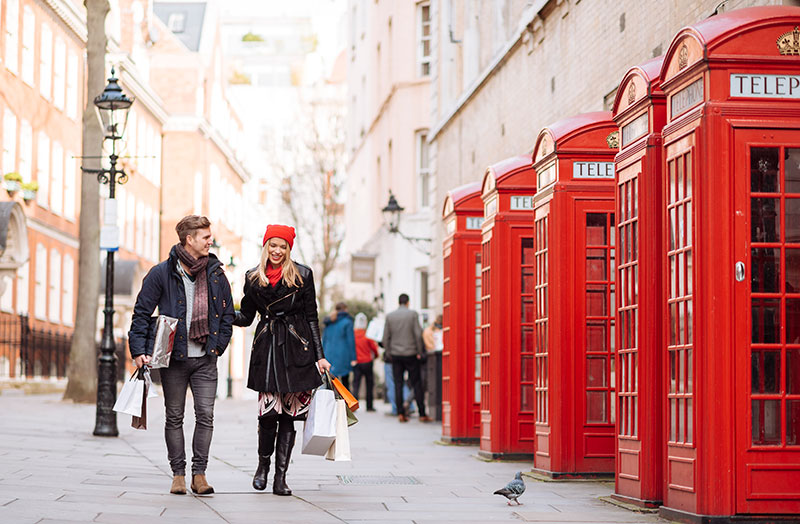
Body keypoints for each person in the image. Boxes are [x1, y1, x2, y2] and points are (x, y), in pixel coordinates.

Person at [128, 215, 234, 496]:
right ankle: (178, 474)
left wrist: (219, 345)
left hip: (205, 359)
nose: (210, 241)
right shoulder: (161, 273)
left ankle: (199, 474)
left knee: (206, 416)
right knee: (174, 416)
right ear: (190, 239)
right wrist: (138, 349)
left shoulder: (216, 273)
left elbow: (227, 314)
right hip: (173, 359)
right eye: (205, 237)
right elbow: (141, 313)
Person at [233, 224, 331, 496]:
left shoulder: (303, 275)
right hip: (267, 350)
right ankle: (262, 466)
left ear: (289, 249)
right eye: (273, 245)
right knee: (267, 414)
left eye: (283, 246)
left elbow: (312, 317)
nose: (277, 251)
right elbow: (247, 316)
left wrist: (320, 357)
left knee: (288, 416)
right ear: (266, 246)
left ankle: (281, 477)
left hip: (296, 350)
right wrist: (223, 312)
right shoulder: (253, 277)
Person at [382, 293, 431, 423]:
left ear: (399, 302)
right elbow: (417, 334)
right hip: (411, 354)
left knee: (398, 384)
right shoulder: (413, 314)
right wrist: (420, 351)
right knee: (416, 384)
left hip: (396, 355)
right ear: (408, 302)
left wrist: (388, 352)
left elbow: (385, 337)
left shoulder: (390, 316)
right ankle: (422, 413)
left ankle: (401, 414)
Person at [322, 302, 356, 390]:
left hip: (328, 354)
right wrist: (353, 358)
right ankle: (346, 403)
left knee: (330, 382)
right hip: (343, 355)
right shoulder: (347, 322)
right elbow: (350, 341)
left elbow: (324, 340)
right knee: (345, 382)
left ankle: (331, 402)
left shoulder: (329, 322)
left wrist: (321, 356)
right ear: (345, 309)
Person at [351, 312, 379, 412]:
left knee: (356, 384)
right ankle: (369, 406)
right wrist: (376, 356)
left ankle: (354, 406)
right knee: (369, 384)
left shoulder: (353, 335)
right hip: (367, 361)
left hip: (357, 362)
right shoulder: (368, 334)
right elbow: (374, 348)